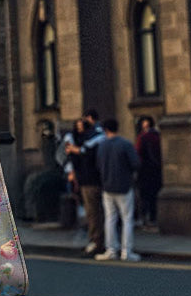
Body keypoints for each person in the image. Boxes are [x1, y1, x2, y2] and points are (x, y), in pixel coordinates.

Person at [94, 118, 142, 262]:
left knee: (110, 218)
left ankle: (111, 250)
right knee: (127, 219)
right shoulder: (125, 144)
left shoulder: (101, 146)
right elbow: (136, 163)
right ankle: (126, 251)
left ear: (105, 130)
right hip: (124, 186)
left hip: (107, 186)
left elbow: (98, 165)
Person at [65, 109, 106, 255]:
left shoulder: (93, 139)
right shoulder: (82, 140)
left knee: (93, 212)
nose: (80, 127)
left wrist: (76, 151)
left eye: (82, 124)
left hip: (91, 180)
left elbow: (86, 152)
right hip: (86, 179)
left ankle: (97, 241)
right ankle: (97, 240)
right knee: (94, 212)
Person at [135, 115, 162, 227]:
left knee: (144, 195)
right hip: (155, 168)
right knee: (153, 194)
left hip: (145, 169)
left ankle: (146, 218)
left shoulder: (143, 137)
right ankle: (153, 217)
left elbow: (137, 152)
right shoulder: (157, 135)